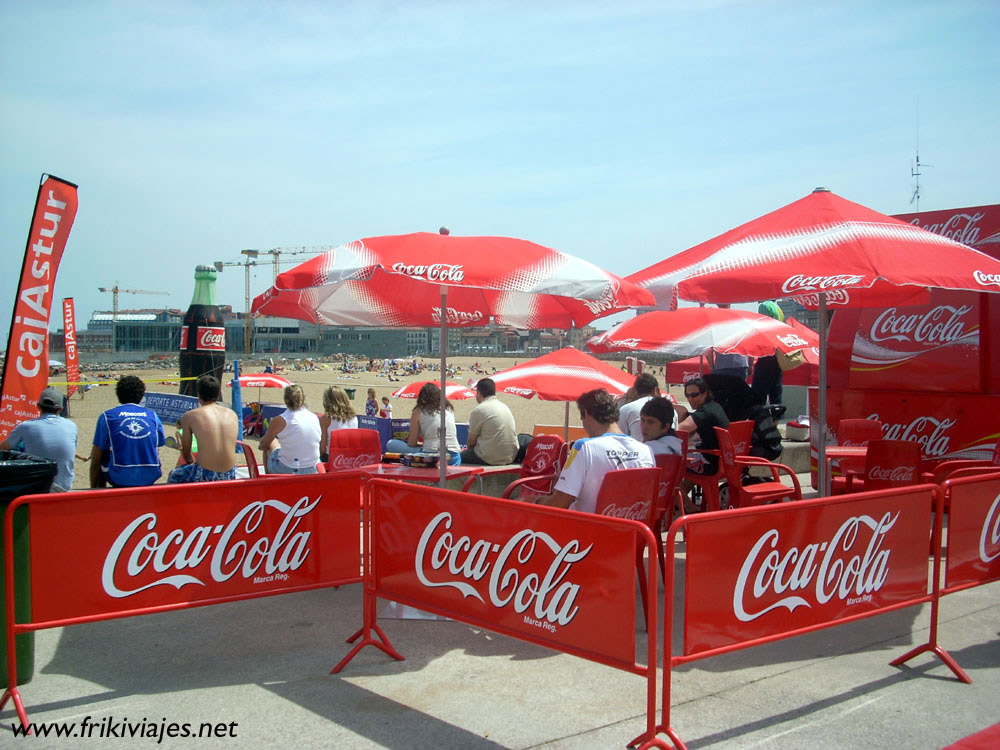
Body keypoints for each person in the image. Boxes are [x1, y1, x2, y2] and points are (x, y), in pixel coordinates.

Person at [538, 389, 654, 514]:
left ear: (586, 414)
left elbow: (558, 504)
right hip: (632, 529)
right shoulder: (646, 450)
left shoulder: (584, 447)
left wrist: (533, 501)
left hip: (588, 529)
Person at [90, 375, 165, 488]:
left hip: (119, 477)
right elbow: (159, 442)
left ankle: (99, 493)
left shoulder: (107, 416)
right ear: (142, 395)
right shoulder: (153, 416)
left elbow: (95, 461)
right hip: (150, 474)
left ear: (118, 394)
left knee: (102, 454)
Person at [0, 387, 77, 491]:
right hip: (64, 487)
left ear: (38, 406)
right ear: (60, 409)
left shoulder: (26, 426)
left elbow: (4, 447)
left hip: (39, 488)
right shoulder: (72, 426)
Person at [168, 375, 239, 483]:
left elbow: (186, 454)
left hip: (205, 472)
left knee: (174, 475)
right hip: (230, 473)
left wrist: (191, 462)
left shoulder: (190, 416)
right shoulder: (232, 414)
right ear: (218, 393)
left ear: (199, 395)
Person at [676, 377, 730, 510]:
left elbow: (678, 429)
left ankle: (688, 507)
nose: (690, 399)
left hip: (711, 463)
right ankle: (679, 502)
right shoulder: (715, 406)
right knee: (690, 467)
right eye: (687, 395)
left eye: (694, 395)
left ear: (704, 393)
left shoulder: (704, 413)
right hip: (723, 461)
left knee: (672, 470)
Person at [385, 382, 462, 465]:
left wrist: (421, 444)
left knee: (391, 444)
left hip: (432, 457)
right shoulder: (448, 409)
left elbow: (412, 443)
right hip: (454, 456)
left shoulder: (418, 411)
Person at [259, 384, 321, 474]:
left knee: (269, 444)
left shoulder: (281, 420)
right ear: (303, 399)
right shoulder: (314, 417)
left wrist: (262, 445)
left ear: (285, 400)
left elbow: (263, 445)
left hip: (289, 468)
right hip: (313, 467)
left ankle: (269, 482)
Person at [460, 378, 518, 466]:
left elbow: (471, 441)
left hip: (489, 458)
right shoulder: (504, 407)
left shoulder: (480, 410)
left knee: (456, 458)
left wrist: (469, 451)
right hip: (510, 456)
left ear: (479, 393)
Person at [618, 373, 678, 439]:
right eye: (642, 420)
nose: (644, 426)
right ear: (656, 390)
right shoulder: (671, 410)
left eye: (650, 422)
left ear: (635, 391)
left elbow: (620, 439)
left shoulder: (625, 410)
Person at [751, 300, 785, 406]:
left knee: (758, 394)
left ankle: (759, 420)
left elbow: (762, 326)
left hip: (766, 353)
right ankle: (776, 420)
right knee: (776, 393)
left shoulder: (764, 306)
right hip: (777, 353)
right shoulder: (778, 308)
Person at [319, 385, 358, 461]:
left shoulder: (326, 418)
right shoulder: (354, 417)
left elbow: (322, 448)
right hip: (349, 457)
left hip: (332, 457)